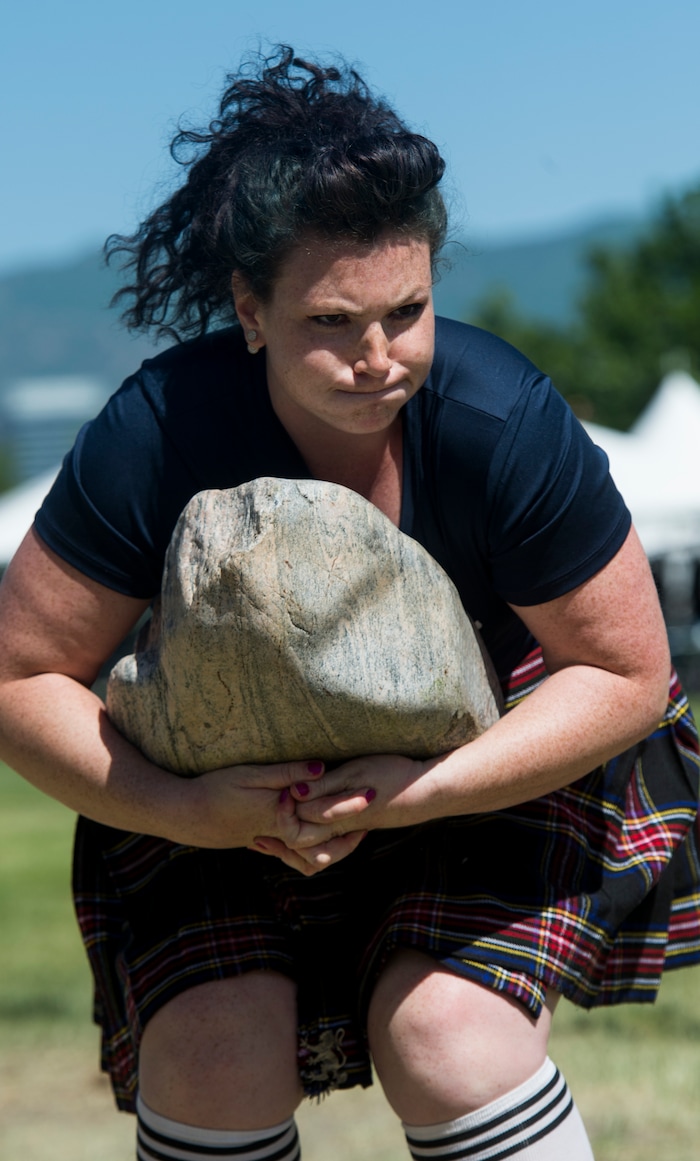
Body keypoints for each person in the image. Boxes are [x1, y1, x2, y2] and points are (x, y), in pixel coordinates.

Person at [0, 46, 698, 1161]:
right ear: (250, 310)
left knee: (448, 1036)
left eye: (408, 310)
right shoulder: (158, 431)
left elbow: (625, 672)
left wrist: (426, 790)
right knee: (215, 1050)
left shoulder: (499, 420)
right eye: (331, 321)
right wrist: (191, 812)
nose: (379, 357)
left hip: (477, 763)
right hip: (211, 782)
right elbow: (19, 678)